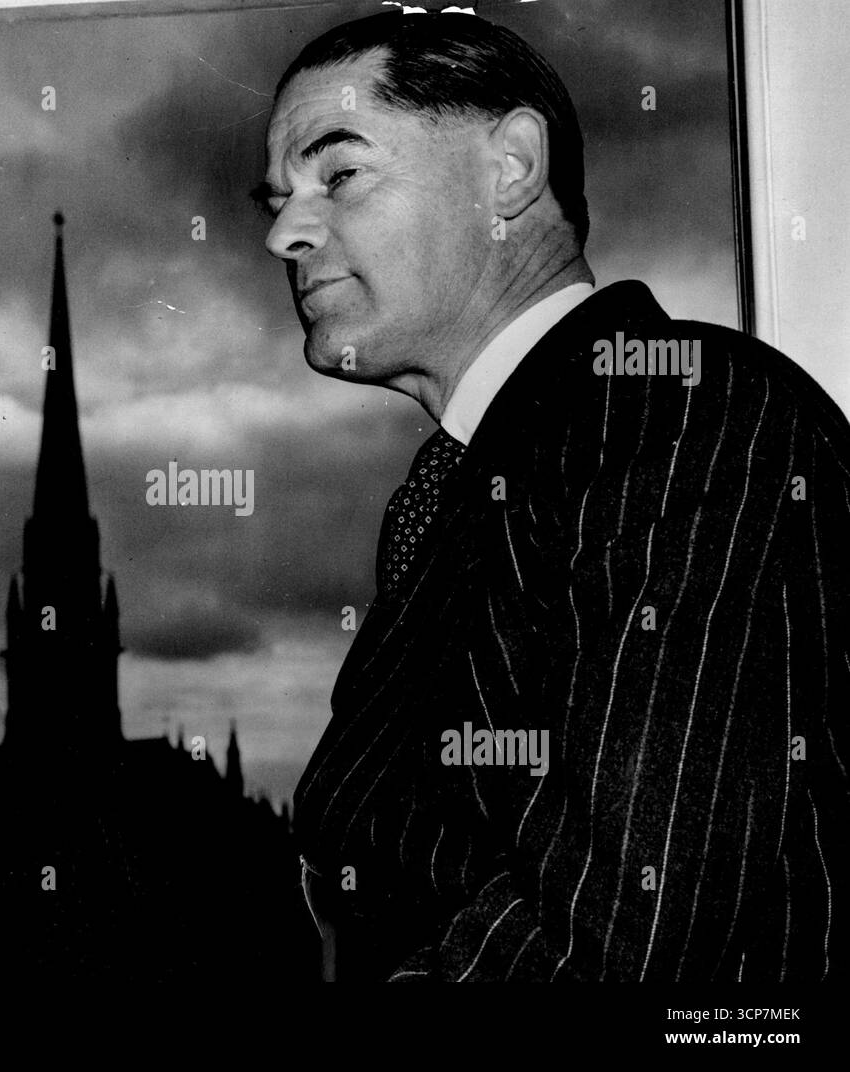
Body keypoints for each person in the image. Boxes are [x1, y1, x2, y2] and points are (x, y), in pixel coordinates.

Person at [254, 10, 849, 982]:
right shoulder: (467, 480)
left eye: (340, 173)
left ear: (512, 167)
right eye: (274, 196)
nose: (285, 229)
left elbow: (628, 929)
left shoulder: (684, 414)